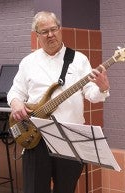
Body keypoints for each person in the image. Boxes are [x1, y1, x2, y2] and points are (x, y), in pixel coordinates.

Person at [7, 11, 110, 193]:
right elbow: (15, 91)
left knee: (66, 189)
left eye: (53, 29)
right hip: (36, 137)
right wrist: (16, 103)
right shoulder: (28, 62)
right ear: (37, 35)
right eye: (44, 31)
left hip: (69, 138)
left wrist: (102, 88)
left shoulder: (79, 60)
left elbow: (92, 95)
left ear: (60, 29)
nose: (50, 35)